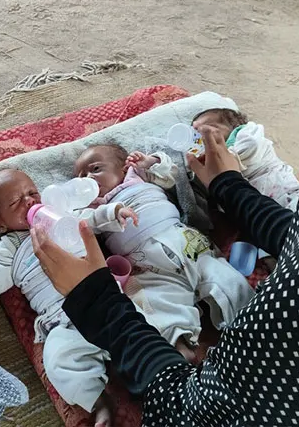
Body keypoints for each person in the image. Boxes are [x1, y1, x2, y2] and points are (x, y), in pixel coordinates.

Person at [30, 0, 299, 424]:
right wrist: (229, 187)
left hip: (179, 265)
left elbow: (193, 416)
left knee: (218, 286)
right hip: (156, 265)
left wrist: (95, 299)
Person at [0, 168, 134, 426]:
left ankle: (157, 355)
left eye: (32, 193)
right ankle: (98, 400)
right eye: (16, 202)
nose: (29, 201)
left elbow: (89, 220)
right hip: (59, 318)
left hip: (103, 298)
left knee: (142, 316)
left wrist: (114, 212)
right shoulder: (9, 247)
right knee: (57, 359)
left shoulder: (58, 213)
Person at [72, 144, 255, 364]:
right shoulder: (93, 207)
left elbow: (171, 175)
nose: (87, 179)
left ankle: (251, 324)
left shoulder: (137, 175)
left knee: (227, 280)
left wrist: (151, 162)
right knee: (152, 305)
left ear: (123, 167)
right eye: (80, 177)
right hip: (148, 266)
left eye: (95, 169)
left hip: (187, 245)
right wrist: (111, 210)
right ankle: (178, 346)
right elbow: (83, 224)